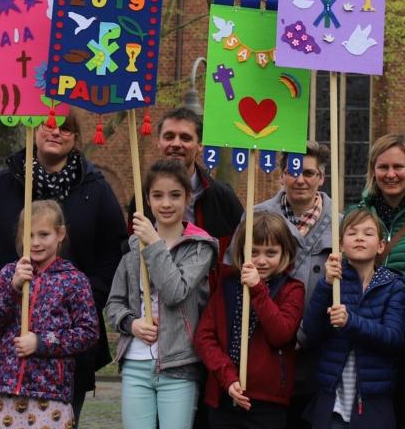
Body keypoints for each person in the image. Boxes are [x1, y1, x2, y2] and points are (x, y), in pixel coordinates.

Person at [0, 105, 128, 420]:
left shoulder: (95, 190)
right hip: (4, 347)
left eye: (64, 128)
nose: (55, 131)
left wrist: (88, 296)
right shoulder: (3, 184)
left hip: (63, 357)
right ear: (35, 130)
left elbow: (115, 251)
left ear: (75, 138)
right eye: (48, 124)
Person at [105, 158, 220, 429]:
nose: (166, 204)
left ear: (188, 197)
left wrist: (154, 243)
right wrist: (131, 324)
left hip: (179, 363)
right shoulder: (133, 248)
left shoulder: (200, 247)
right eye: (158, 196)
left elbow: (175, 292)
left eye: (175, 195)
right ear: (148, 199)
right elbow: (114, 304)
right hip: (136, 361)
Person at [0, 199, 100, 429]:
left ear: (60, 234)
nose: (35, 242)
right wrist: (13, 288)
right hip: (8, 388)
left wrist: (41, 342)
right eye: (29, 235)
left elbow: (88, 332)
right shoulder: (8, 274)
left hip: (51, 391)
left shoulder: (73, 280)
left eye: (44, 234)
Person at [248, 142, 335, 428]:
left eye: (309, 173)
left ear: (321, 178)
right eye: (294, 171)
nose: (300, 180)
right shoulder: (254, 218)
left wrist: (304, 336)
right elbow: (236, 273)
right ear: (282, 174)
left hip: (316, 354)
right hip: (265, 351)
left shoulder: (340, 224)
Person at [194, 212, 307, 429]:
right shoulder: (227, 285)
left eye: (271, 253)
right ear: (241, 252)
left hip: (268, 401)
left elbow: (281, 335)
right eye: (253, 252)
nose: (262, 260)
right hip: (224, 395)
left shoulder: (292, 289)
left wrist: (258, 290)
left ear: (285, 253)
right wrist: (227, 377)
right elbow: (204, 337)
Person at [300, 207, 405, 429]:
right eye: (352, 233)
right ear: (340, 244)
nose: (359, 237)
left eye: (368, 233)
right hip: (333, 402)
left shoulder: (393, 286)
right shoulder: (334, 282)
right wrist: (325, 285)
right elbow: (312, 330)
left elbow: (394, 338)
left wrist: (351, 322)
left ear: (380, 245)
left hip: (372, 403)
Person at [346, 134, 405, 292]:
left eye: (398, 167)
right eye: (383, 167)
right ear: (373, 171)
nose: (391, 174)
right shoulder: (356, 216)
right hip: (364, 316)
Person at [155, 106, 244, 256]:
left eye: (186, 138)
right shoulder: (141, 199)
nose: (176, 144)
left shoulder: (222, 198)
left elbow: (243, 248)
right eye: (169, 137)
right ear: (159, 143)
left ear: (200, 145)